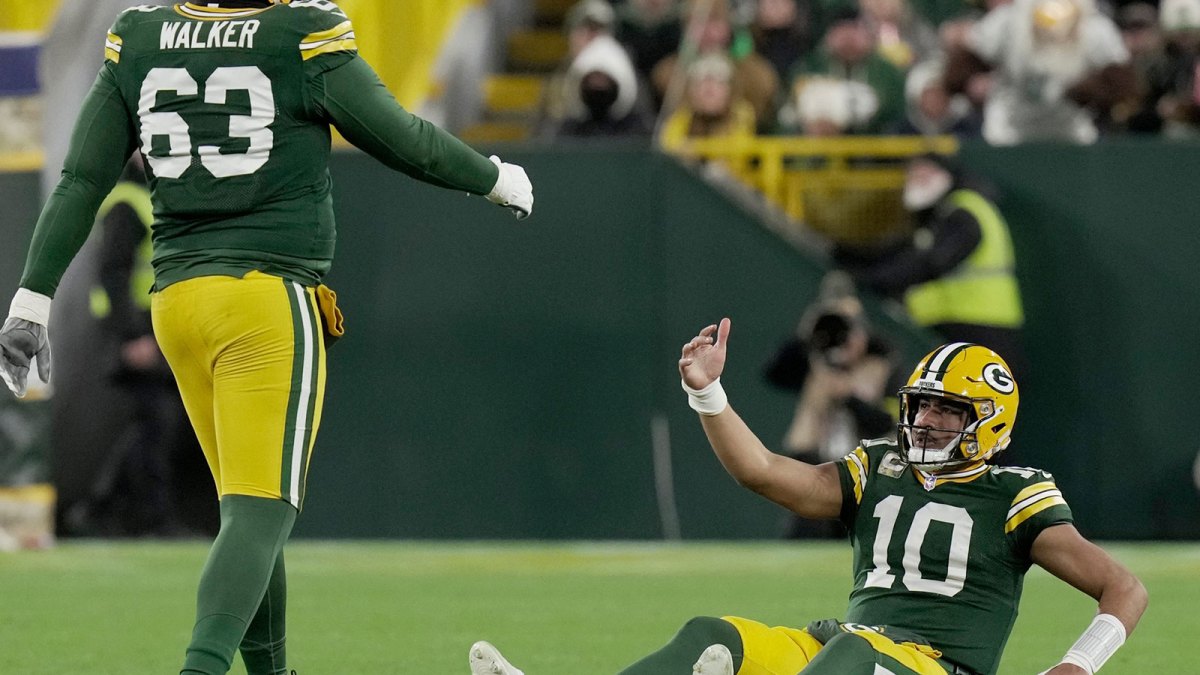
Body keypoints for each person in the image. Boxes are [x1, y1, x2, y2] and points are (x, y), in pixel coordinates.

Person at [0, 2, 532, 675]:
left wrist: (31, 299)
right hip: (263, 297)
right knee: (259, 513)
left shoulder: (139, 35)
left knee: (246, 514)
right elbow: (402, 136)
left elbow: (81, 178)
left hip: (178, 304)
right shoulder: (299, 34)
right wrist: (495, 178)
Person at [468, 321, 1148, 675]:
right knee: (713, 635)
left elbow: (1124, 588)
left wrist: (1078, 662)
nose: (925, 421)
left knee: (848, 656)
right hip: (844, 647)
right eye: (921, 405)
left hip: (932, 666)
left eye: (947, 410)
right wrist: (707, 392)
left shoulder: (1014, 492)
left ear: (989, 422)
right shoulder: (880, 464)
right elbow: (764, 471)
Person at [832, 153, 1028, 389]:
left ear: (945, 175)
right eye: (913, 174)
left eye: (924, 173)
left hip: (981, 330)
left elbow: (931, 262)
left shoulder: (966, 212)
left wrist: (874, 281)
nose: (916, 180)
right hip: (949, 328)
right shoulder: (938, 215)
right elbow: (899, 254)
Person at [763, 273, 898, 539]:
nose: (842, 339)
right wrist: (806, 335)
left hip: (865, 470)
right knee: (806, 535)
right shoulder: (813, 357)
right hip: (814, 466)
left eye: (848, 329)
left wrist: (849, 398)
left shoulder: (882, 361)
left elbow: (888, 424)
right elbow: (774, 374)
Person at [944, 0, 1136, 145]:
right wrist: (970, 85)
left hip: (1070, 134)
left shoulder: (1094, 26)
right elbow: (963, 68)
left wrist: (1086, 91)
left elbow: (1121, 82)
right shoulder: (1008, 21)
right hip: (1009, 133)